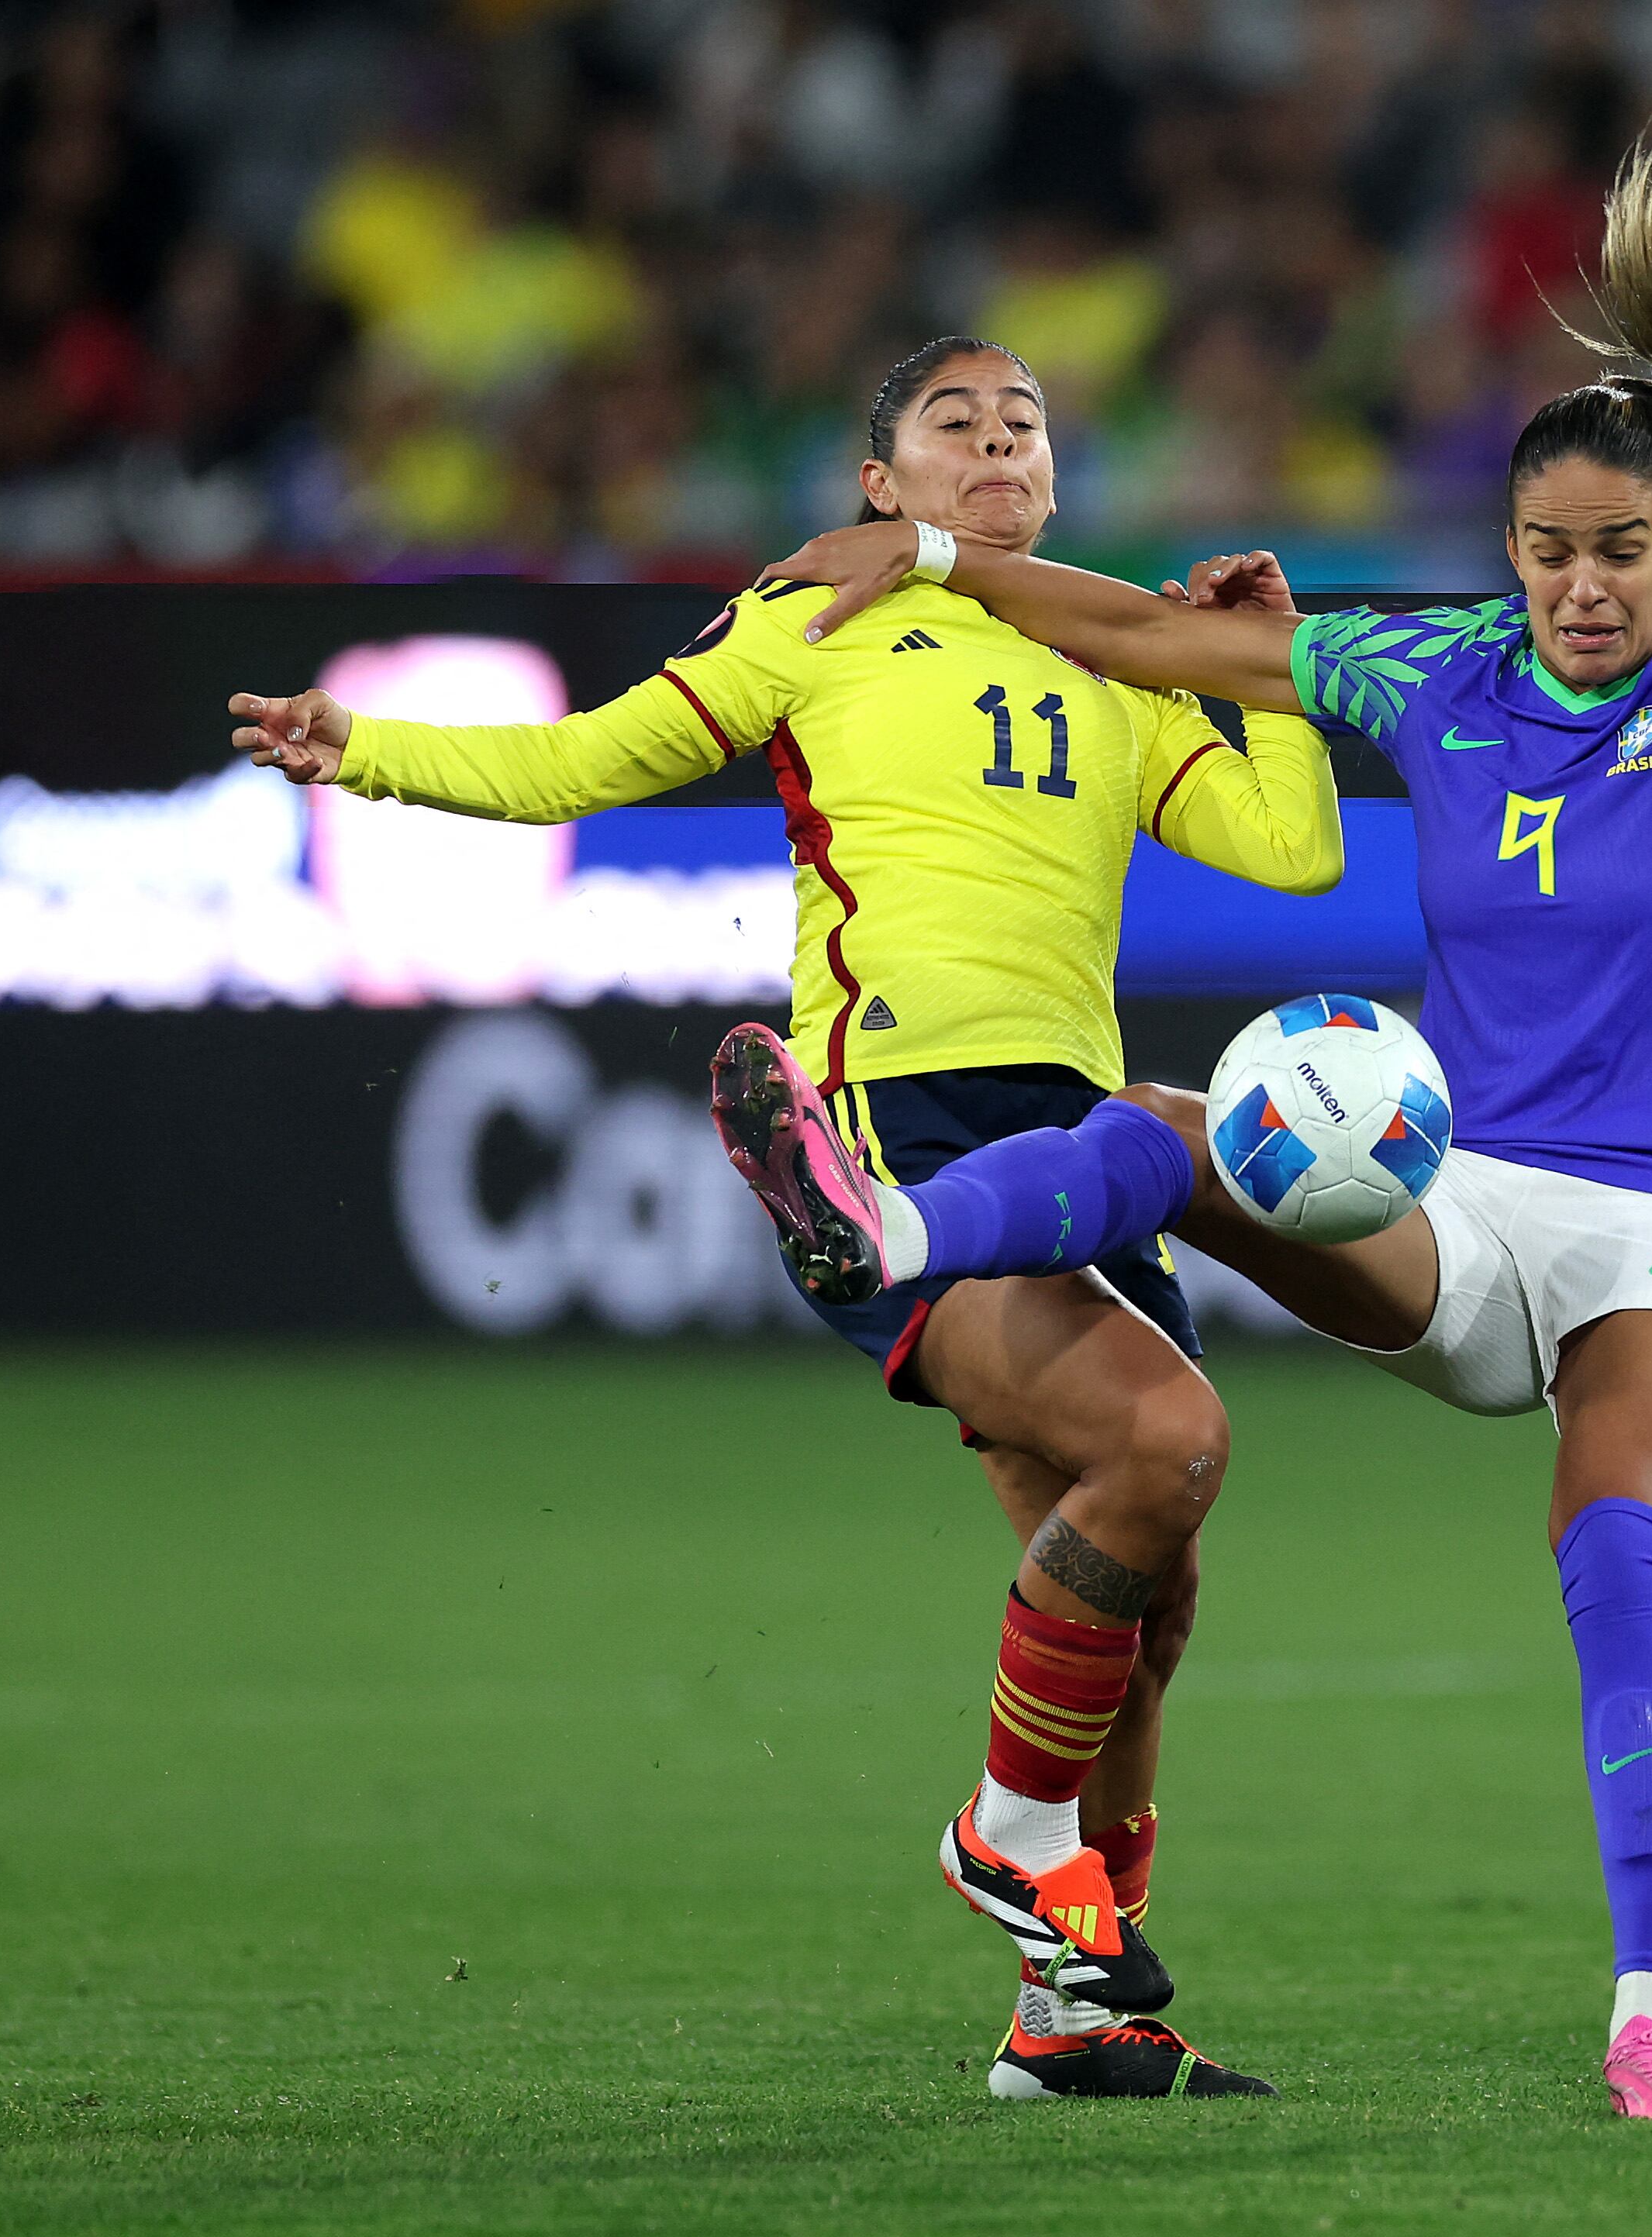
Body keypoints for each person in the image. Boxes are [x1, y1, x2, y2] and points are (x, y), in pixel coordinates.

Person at [737, 100, 1652, 2118]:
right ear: (1511, 555)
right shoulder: (1432, 677)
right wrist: (941, 558)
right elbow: (1144, 634)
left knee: (1617, 1554)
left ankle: (1647, 2018)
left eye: (1620, 553)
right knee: (1179, 1119)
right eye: (1550, 553)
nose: (1583, 589)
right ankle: (894, 1229)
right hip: (1459, 1211)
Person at [229, 336, 1343, 2101]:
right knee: (1167, 1440)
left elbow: (1295, 852)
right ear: (880, 485)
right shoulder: (818, 611)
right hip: (899, 1122)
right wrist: (364, 750)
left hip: (1075, 1144)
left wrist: (1257, 668)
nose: (999, 443)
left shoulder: (1116, 641)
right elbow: (579, 763)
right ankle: (1001, 1840)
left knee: (1148, 1597)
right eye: (954, 424)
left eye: (1024, 423)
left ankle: (1075, 2019)